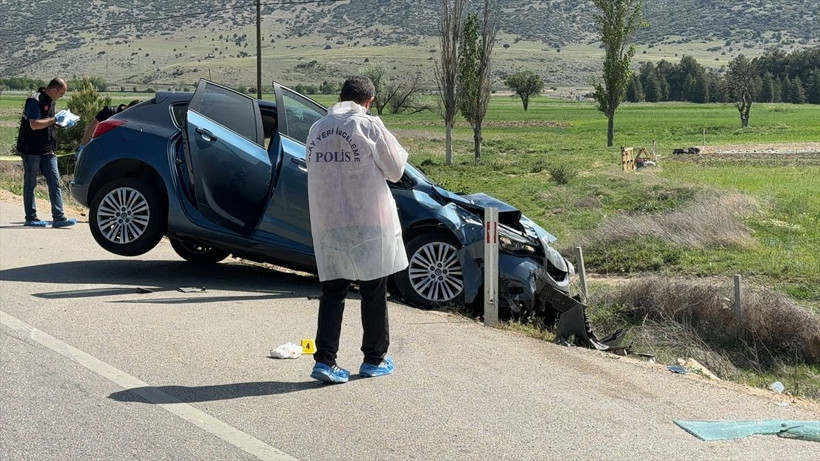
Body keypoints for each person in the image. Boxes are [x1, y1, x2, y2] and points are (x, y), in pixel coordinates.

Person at [306, 76, 409, 384]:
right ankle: (374, 360)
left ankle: (325, 360)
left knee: (333, 291)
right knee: (374, 290)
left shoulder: (317, 129)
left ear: (340, 97)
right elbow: (395, 170)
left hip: (331, 220)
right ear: (369, 101)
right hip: (368, 220)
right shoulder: (369, 126)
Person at [16, 77, 77, 228]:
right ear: (54, 89)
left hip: (48, 149)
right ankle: (31, 217)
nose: (61, 96)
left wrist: (60, 123)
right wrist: (55, 119)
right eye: (61, 93)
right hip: (31, 149)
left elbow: (48, 121)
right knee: (30, 183)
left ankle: (59, 217)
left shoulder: (51, 101)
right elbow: (34, 124)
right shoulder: (34, 101)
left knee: (55, 181)